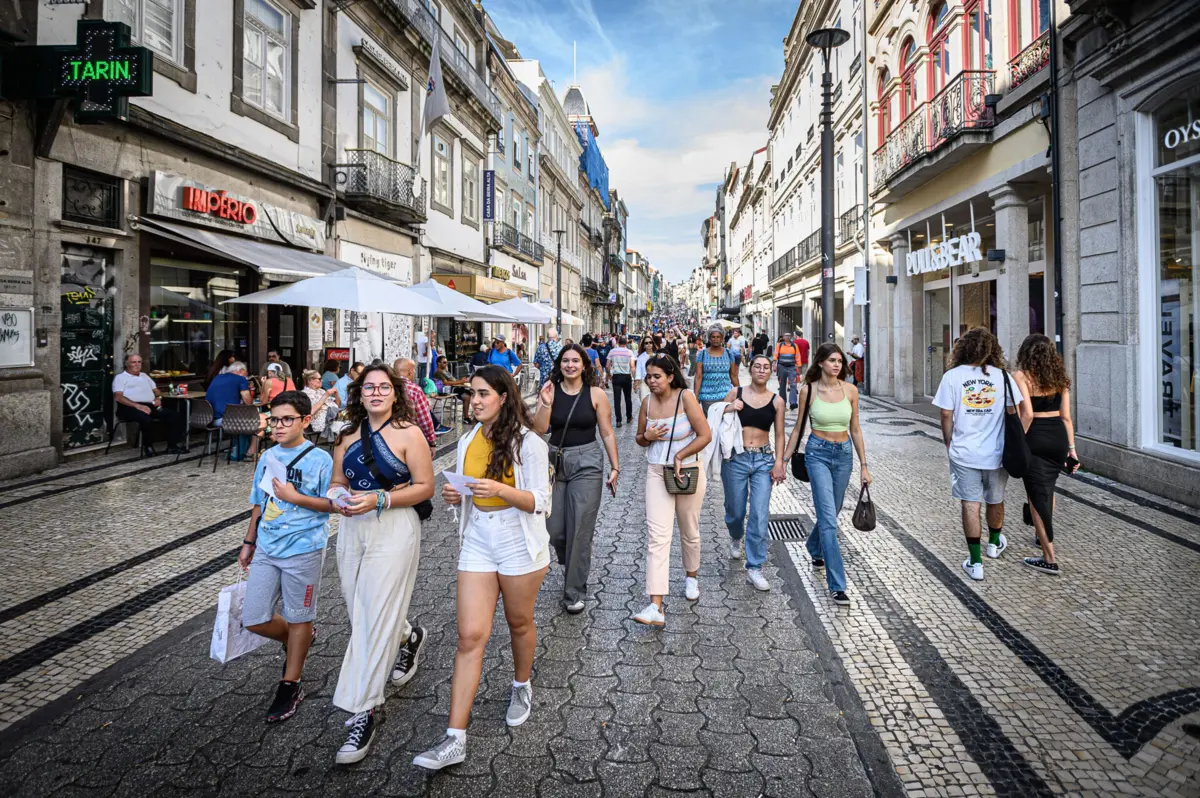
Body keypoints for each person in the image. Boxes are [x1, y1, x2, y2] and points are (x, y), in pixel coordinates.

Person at [413, 366, 551, 771]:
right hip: (478, 539)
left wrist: (503, 491)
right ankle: (454, 737)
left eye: (482, 394)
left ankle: (521, 684)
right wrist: (457, 495)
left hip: (517, 540)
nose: (473, 401)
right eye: (471, 394)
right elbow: (466, 491)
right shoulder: (469, 438)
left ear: (504, 397)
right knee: (470, 635)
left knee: (519, 621)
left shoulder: (529, 443)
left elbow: (541, 500)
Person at [327, 364, 435, 764]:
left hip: (395, 528)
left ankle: (365, 709)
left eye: (383, 387)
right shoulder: (345, 435)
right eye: (368, 387)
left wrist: (381, 499)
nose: (375, 393)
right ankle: (407, 637)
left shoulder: (409, 434)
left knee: (373, 618)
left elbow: (426, 486)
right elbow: (338, 482)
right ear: (359, 394)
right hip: (353, 529)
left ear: (395, 394)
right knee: (362, 612)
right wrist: (338, 497)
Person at [239, 390, 334, 723]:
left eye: (286, 419)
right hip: (266, 546)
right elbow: (258, 501)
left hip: (303, 549)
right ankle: (300, 639)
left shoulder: (321, 460)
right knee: (254, 617)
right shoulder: (267, 456)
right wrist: (249, 541)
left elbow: (334, 505)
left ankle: (290, 683)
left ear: (305, 421)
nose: (278, 426)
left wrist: (297, 497)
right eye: (274, 419)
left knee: (299, 615)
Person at [932, 328, 1031, 583]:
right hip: (996, 452)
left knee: (970, 503)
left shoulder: (952, 377)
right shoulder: (1003, 378)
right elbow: (1015, 412)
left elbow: (945, 415)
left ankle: (975, 563)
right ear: (992, 349)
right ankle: (994, 544)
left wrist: (948, 440)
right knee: (995, 498)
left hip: (964, 452)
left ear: (963, 349)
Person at [532, 345, 620, 613]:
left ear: (584, 365)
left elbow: (606, 432)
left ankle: (574, 592)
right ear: (560, 365)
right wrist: (545, 404)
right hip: (554, 462)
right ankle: (572, 563)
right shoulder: (550, 391)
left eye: (575, 361)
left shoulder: (596, 394)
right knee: (555, 529)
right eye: (565, 361)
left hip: (587, 463)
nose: (570, 365)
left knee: (580, 529)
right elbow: (540, 428)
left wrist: (616, 467)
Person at [783, 343, 872, 606]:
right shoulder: (808, 391)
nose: (837, 365)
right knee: (829, 522)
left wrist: (864, 466)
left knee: (830, 513)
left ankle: (813, 547)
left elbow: (855, 429)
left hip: (843, 454)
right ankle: (838, 585)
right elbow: (798, 428)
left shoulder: (851, 391)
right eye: (832, 360)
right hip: (817, 454)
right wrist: (783, 461)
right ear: (820, 362)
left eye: (839, 361)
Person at [633, 353, 712, 626]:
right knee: (657, 537)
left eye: (657, 376)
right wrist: (648, 436)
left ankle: (691, 576)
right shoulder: (646, 403)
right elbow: (639, 439)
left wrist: (681, 455)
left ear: (670, 376)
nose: (652, 382)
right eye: (648, 376)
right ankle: (656, 606)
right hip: (656, 471)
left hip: (687, 471)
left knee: (689, 529)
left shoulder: (686, 398)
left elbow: (705, 435)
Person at [719, 355, 787, 591]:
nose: (761, 370)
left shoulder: (777, 401)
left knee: (759, 513)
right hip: (735, 458)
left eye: (766, 367)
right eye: (757, 366)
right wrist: (729, 407)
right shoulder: (735, 393)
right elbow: (716, 417)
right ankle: (735, 535)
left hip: (763, 460)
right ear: (751, 369)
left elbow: (779, 434)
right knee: (735, 511)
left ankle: (755, 568)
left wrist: (779, 462)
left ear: (771, 372)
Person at [1013, 334, 1077, 575]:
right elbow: (1067, 417)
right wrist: (1072, 451)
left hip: (1035, 439)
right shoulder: (1060, 378)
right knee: (1046, 488)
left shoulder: (1021, 376)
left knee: (1036, 497)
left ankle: (1049, 559)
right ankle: (1042, 538)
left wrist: (1017, 443)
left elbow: (1026, 414)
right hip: (1058, 439)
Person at [112, 354, 185, 456]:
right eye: (134, 362)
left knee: (173, 415)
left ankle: (173, 446)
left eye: (139, 362)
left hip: (150, 405)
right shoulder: (121, 378)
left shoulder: (144, 376)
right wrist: (138, 406)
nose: (137, 364)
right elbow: (118, 397)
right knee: (146, 419)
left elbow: (156, 391)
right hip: (129, 407)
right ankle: (148, 447)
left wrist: (158, 398)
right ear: (127, 364)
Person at [208, 361, 255, 460]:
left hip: (209, 418)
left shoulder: (217, 377)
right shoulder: (241, 379)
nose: (247, 375)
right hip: (227, 420)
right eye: (246, 372)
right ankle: (247, 452)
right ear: (241, 371)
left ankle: (239, 450)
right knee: (254, 420)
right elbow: (248, 402)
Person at [693, 324, 740, 415]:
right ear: (709, 338)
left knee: (725, 424)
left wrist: (740, 394)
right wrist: (695, 397)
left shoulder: (728, 353)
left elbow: (734, 376)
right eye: (713, 337)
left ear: (722, 338)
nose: (716, 339)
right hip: (707, 398)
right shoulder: (702, 354)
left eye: (718, 337)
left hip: (726, 396)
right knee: (711, 426)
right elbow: (698, 377)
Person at [392, 358, 440, 443]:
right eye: (414, 370)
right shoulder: (414, 390)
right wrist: (431, 440)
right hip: (410, 438)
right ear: (410, 371)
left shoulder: (387, 387)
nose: (414, 373)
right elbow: (424, 420)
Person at [606, 336, 636, 427]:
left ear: (618, 342)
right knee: (628, 398)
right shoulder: (629, 352)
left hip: (616, 376)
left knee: (617, 399)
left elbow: (607, 366)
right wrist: (634, 378)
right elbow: (632, 366)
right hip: (626, 377)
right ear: (626, 343)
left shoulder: (612, 351)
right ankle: (629, 417)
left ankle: (618, 420)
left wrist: (609, 375)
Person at [301, 369, 340, 437]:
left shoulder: (321, 391)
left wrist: (336, 395)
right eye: (319, 378)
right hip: (323, 423)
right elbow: (310, 412)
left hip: (334, 418)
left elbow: (338, 405)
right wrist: (325, 396)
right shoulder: (304, 394)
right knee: (346, 427)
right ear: (310, 381)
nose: (321, 380)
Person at [773, 332, 801, 409]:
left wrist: (799, 367)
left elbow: (797, 356)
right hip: (781, 367)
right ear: (783, 337)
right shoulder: (779, 345)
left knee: (793, 385)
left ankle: (793, 402)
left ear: (791, 337)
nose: (788, 337)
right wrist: (774, 365)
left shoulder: (795, 346)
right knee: (782, 385)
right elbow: (775, 354)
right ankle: (782, 402)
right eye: (786, 335)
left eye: (789, 335)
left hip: (792, 367)